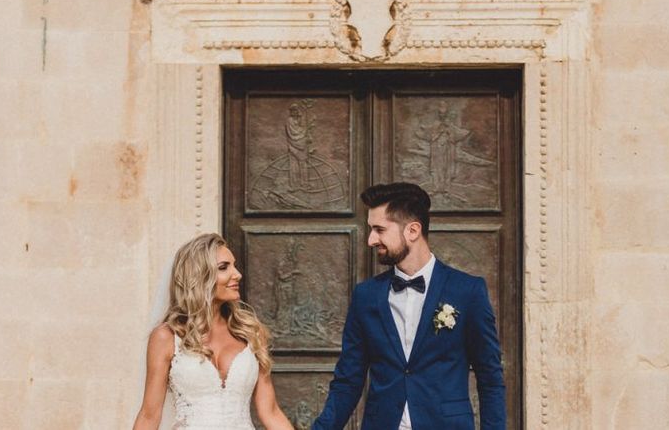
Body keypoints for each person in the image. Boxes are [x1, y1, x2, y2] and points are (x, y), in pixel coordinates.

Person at [312, 182, 507, 430]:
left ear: (412, 231)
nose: (371, 240)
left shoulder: (467, 291)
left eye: (379, 229)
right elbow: (348, 381)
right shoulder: (366, 296)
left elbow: (490, 377)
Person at [133, 233, 294, 430]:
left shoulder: (250, 332)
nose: (237, 274)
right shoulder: (166, 337)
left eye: (234, 265)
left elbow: (270, 412)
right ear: (199, 276)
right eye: (224, 267)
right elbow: (149, 416)